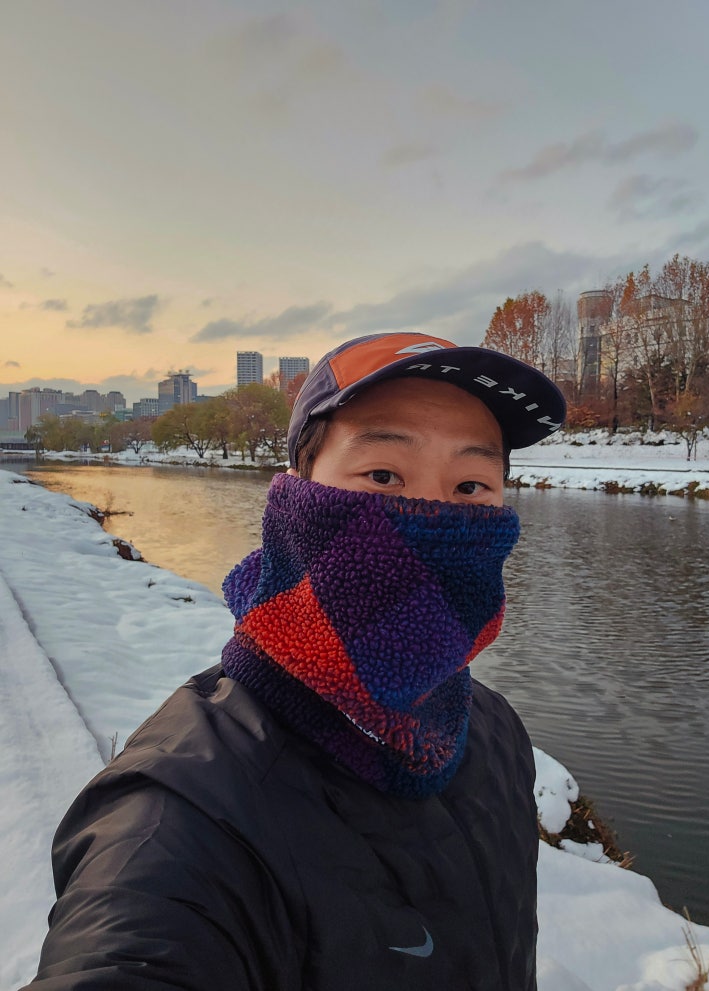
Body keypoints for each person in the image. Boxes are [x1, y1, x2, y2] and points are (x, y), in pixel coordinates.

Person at [24, 332, 566, 991]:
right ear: (297, 493)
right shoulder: (183, 815)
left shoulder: (492, 730)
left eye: (471, 484)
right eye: (383, 475)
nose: (431, 511)